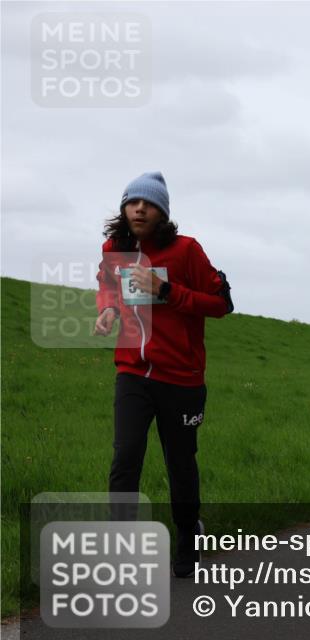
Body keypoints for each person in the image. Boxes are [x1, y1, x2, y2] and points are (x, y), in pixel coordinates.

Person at [93, 171, 233, 578]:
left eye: (149, 204)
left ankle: (188, 535)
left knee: (180, 464)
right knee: (125, 457)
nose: (139, 209)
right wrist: (108, 309)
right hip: (132, 371)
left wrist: (166, 291)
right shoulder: (115, 248)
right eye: (133, 202)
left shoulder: (186, 250)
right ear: (124, 207)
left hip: (181, 377)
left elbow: (221, 304)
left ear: (162, 212)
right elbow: (107, 284)